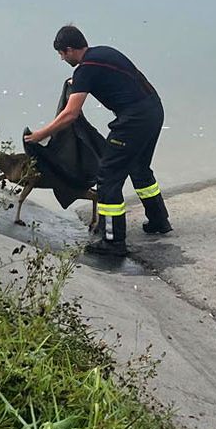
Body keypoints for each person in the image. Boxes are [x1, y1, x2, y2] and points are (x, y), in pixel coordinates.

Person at [24, 24, 171, 257]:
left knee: (108, 176)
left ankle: (113, 241)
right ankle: (159, 221)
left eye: (62, 54)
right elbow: (110, 78)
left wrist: (42, 134)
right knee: (140, 168)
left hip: (133, 121)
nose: (62, 59)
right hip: (153, 110)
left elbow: (70, 114)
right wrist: (78, 83)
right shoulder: (103, 53)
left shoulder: (85, 71)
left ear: (70, 50)